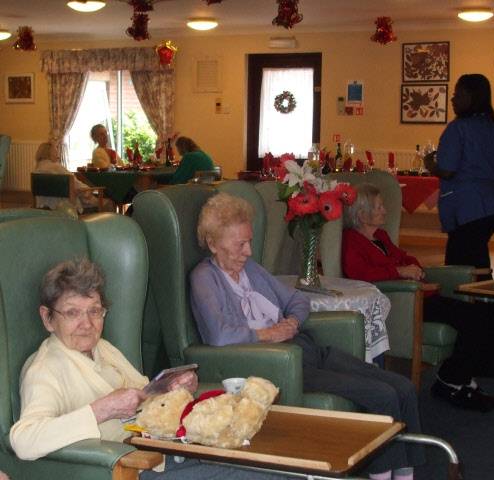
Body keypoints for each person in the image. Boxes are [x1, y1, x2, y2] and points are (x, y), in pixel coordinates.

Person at [190, 192, 425, 480]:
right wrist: (268, 334)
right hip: (280, 363)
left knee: (402, 386)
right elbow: (218, 333)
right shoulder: (205, 278)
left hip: (306, 348)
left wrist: (290, 322)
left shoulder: (251, 269)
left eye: (249, 241)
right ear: (213, 243)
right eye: (240, 244)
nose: (249, 251)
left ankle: (405, 475)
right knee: (382, 394)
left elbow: (298, 301)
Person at [9, 258, 284, 480]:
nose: (87, 323)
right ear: (47, 318)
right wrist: (100, 410)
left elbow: (142, 395)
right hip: (129, 469)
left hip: (160, 453)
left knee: (272, 464)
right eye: (72, 313)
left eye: (95, 311)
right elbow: (24, 440)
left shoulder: (102, 348)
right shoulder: (44, 369)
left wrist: (171, 389)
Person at [342, 183, 494, 411]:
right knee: (474, 319)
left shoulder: (381, 236)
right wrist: (399, 271)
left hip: (420, 293)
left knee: (480, 315)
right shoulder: (351, 240)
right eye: (378, 207)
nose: (384, 211)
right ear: (361, 213)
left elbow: (407, 258)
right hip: (403, 300)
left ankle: (457, 378)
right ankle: (451, 380)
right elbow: (359, 274)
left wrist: (410, 268)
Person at [424, 73, 494, 274]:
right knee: (478, 259)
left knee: (459, 266)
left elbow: (447, 171)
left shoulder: (458, 128)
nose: (453, 99)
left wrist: (430, 164)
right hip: (492, 205)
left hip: (466, 206)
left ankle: (468, 304)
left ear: (473, 98)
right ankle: (483, 303)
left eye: (458, 95)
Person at [33, 142, 113, 213]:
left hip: (45, 207)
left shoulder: (36, 171)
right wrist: (89, 190)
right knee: (108, 202)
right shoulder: (57, 168)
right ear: (50, 153)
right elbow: (78, 185)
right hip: (67, 208)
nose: (58, 153)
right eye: (56, 150)